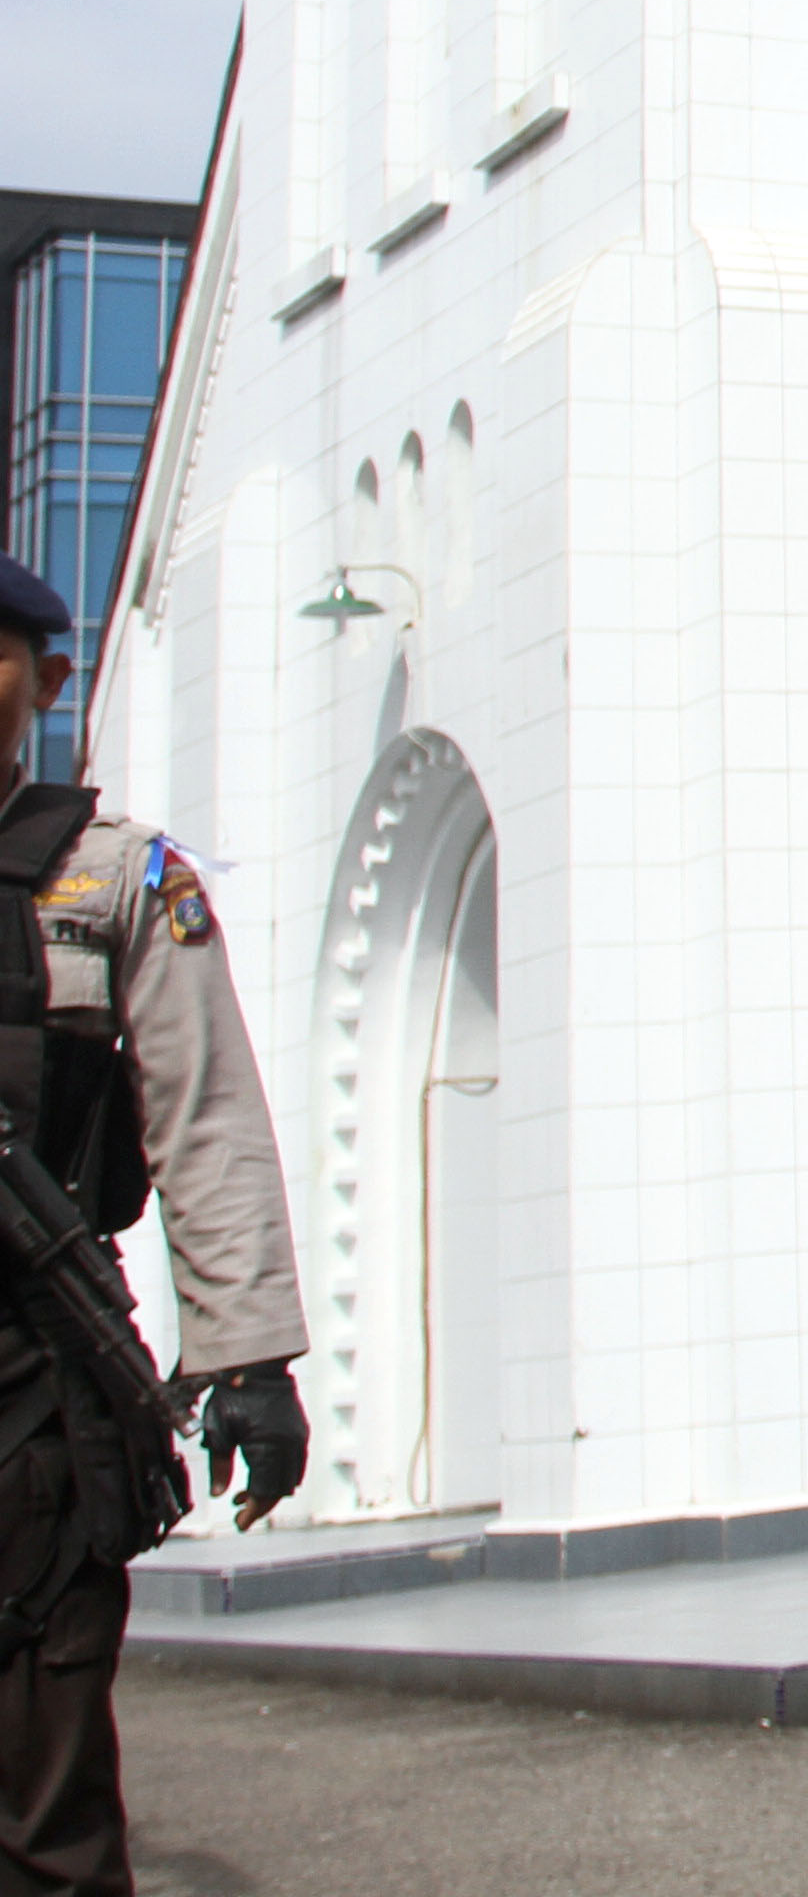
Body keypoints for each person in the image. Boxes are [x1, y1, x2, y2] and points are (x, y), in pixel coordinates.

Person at [0, 551, 306, 1897]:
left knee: (49, 1806)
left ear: (46, 681)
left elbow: (208, 1119)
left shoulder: (119, 878)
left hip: (33, 1399)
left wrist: (249, 1356)